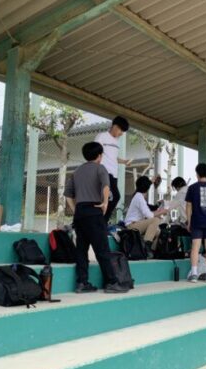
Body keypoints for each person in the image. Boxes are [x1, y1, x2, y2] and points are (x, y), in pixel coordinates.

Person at [64, 142, 127, 294]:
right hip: (94, 211)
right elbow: (106, 186)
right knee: (102, 249)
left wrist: (76, 209)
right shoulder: (100, 168)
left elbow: (68, 195)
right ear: (99, 156)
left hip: (80, 213)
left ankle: (82, 283)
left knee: (81, 250)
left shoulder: (77, 171)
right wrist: (105, 203)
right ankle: (112, 282)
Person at [94, 116, 131, 223]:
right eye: (121, 130)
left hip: (114, 174)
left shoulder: (117, 142)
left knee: (110, 198)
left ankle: (101, 221)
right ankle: (102, 222)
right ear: (115, 126)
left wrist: (124, 161)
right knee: (115, 196)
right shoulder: (102, 136)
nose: (121, 133)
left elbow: (113, 158)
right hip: (104, 172)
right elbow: (95, 154)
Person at [124, 176, 168, 258]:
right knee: (155, 220)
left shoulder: (138, 196)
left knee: (158, 231)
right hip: (131, 226)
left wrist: (159, 212)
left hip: (136, 224)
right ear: (147, 188)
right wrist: (162, 212)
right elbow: (149, 215)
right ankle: (146, 247)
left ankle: (152, 251)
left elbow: (148, 213)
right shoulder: (139, 197)